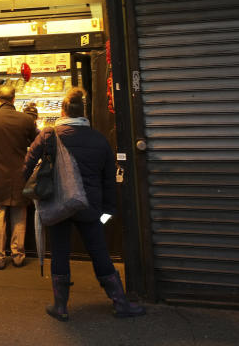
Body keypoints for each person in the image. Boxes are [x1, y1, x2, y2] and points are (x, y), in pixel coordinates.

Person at [22, 87, 145, 321]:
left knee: (59, 252)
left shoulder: (49, 135)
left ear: (63, 110)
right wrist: (107, 211)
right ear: (83, 111)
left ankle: (61, 306)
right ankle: (120, 303)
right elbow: (109, 179)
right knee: (99, 253)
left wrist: (33, 191)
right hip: (89, 206)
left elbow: (26, 167)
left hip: (58, 204)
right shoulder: (99, 139)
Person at [0, 84, 37, 269]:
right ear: (14, 99)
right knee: (19, 215)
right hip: (20, 172)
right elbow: (37, 142)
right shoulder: (26, 120)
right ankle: (18, 256)